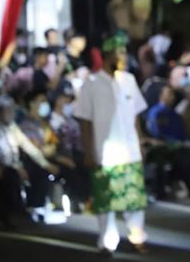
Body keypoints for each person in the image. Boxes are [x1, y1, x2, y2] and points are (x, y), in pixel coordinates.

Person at [74, 34, 148, 255]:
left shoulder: (129, 80)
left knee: (134, 199)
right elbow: (85, 122)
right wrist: (88, 151)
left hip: (130, 150)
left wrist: (141, 143)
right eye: (120, 52)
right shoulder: (91, 84)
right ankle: (107, 242)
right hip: (104, 154)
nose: (124, 57)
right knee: (105, 202)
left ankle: (138, 237)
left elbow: (135, 116)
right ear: (108, 55)